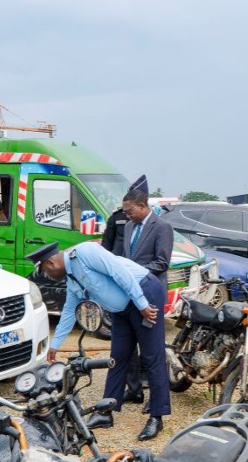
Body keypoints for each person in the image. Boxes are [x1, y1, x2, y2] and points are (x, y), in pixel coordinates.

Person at [35, 240, 170, 441]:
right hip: (121, 309)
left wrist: (142, 304)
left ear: (50, 263)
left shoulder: (85, 252)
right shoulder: (72, 278)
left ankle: (156, 417)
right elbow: (70, 311)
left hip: (144, 293)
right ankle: (105, 412)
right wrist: (56, 344)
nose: (48, 276)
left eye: (45, 272)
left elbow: (119, 273)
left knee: (152, 356)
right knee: (117, 358)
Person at [119, 186, 172, 406]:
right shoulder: (130, 227)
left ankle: (155, 397)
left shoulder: (162, 227)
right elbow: (125, 257)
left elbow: (162, 262)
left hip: (150, 292)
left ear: (142, 206)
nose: (126, 215)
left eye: (130, 210)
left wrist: (133, 274)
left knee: (152, 349)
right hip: (129, 293)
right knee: (128, 346)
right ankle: (134, 390)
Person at [101, 174, 147, 258]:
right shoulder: (117, 217)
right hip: (118, 261)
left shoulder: (153, 220)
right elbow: (107, 243)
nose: (128, 215)